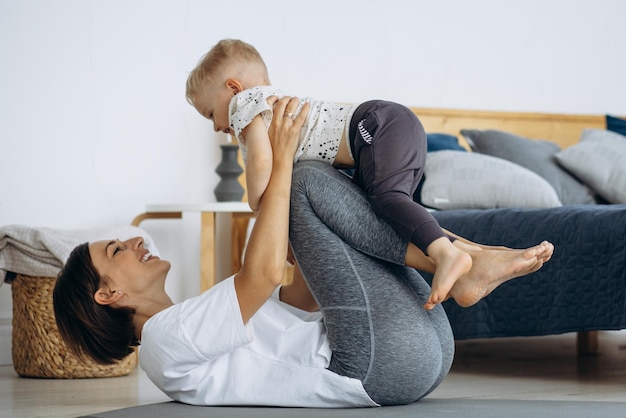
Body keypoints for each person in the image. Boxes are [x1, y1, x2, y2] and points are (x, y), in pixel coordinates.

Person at [53, 97, 552, 408]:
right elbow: (268, 273)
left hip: (409, 357)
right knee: (306, 180)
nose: (137, 242)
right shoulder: (164, 340)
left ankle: (456, 257)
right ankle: (456, 259)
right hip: (376, 365)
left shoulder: (187, 323)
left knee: (317, 182)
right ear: (107, 294)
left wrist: (314, 217)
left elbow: (299, 292)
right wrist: (283, 164)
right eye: (117, 249)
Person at [184, 38, 551, 310]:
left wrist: (256, 203)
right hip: (388, 126)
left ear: (233, 89)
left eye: (208, 113)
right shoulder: (269, 104)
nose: (216, 125)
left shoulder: (246, 105)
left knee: (387, 200)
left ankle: (446, 255)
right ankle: (480, 254)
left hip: (375, 126)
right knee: (384, 212)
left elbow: (263, 163)